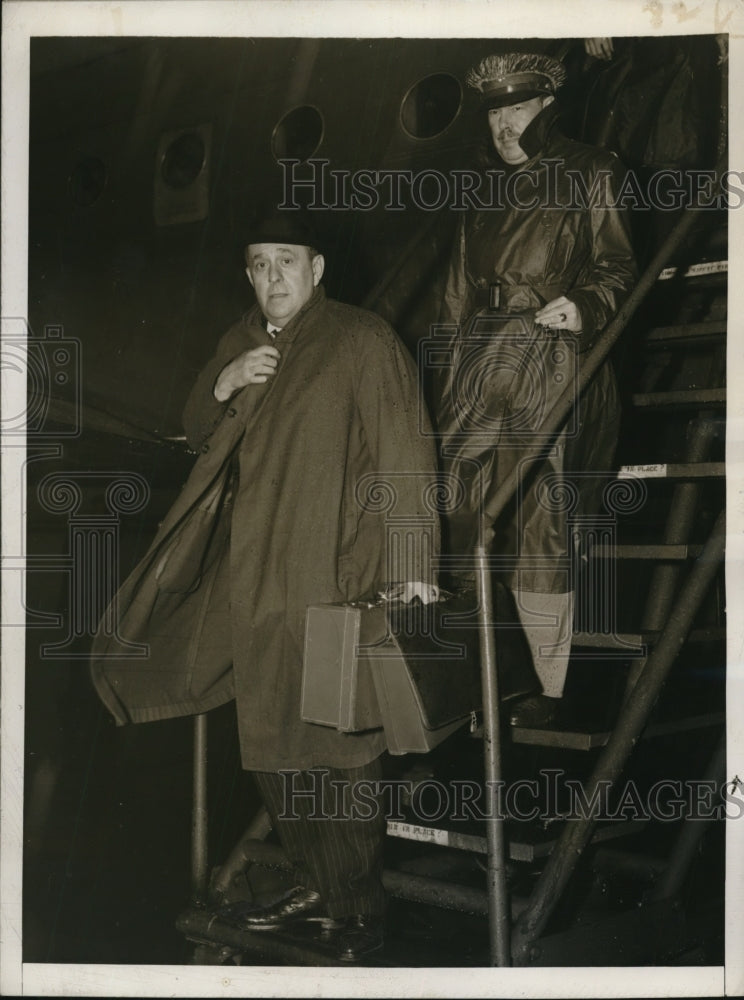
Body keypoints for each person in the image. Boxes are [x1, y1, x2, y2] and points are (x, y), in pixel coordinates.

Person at [91, 211, 439, 962]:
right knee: (269, 733)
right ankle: (315, 879)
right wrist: (223, 384)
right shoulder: (240, 341)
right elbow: (198, 434)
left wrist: (413, 569)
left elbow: (406, 452)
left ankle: (358, 908)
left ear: (317, 269)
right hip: (254, 570)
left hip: (336, 566)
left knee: (338, 739)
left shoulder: (361, 337)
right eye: (258, 264)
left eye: (286, 261)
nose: (272, 277)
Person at [434, 52, 637, 728]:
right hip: (480, 362)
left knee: (542, 524)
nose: (504, 124)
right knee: (458, 507)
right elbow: (455, 296)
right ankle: (476, 685)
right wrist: (447, 377)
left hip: (552, 356)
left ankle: (544, 691)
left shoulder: (593, 170)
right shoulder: (481, 194)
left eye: (518, 108)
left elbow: (618, 266)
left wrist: (587, 304)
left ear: (549, 106)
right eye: (495, 111)